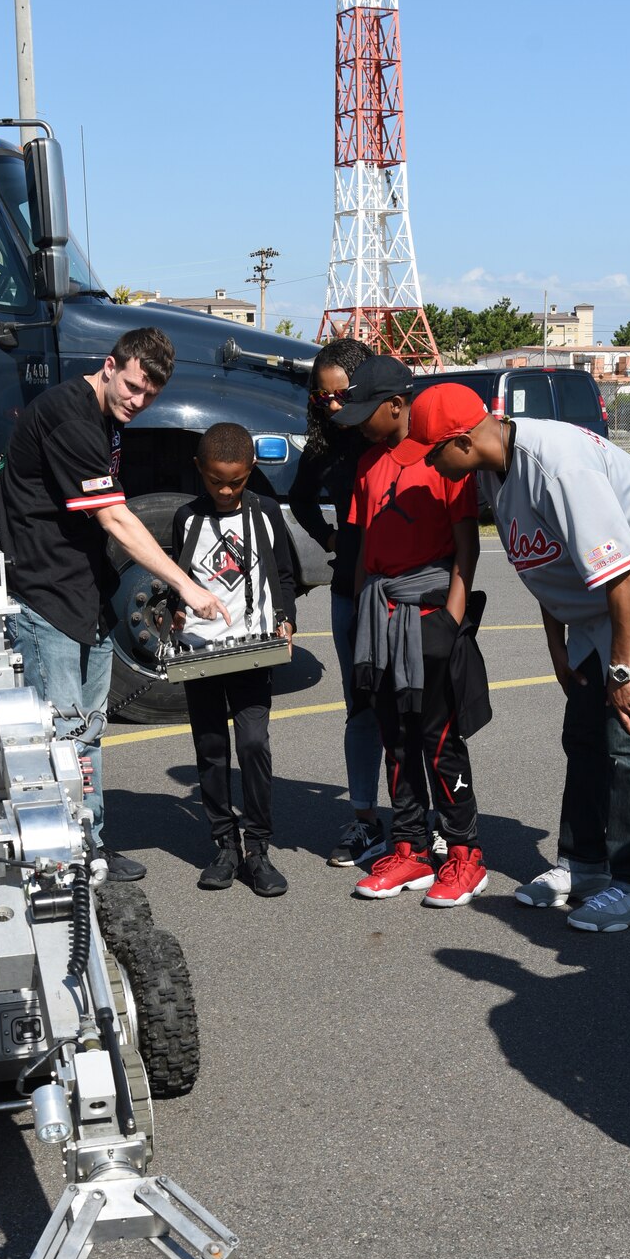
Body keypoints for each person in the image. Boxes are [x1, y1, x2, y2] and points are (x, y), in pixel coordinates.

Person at [398, 382, 630, 930]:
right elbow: (546, 562)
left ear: (462, 441)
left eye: (433, 453)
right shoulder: (493, 472)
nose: (431, 465)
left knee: (628, 733)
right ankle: (585, 864)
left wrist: (621, 670)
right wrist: (557, 647)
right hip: (598, 605)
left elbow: (627, 574)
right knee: (583, 733)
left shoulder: (558, 468)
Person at [0, 328, 229, 882]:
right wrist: (190, 587)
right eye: (131, 386)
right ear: (109, 364)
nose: (138, 401)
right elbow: (118, 519)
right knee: (55, 736)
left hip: (86, 589)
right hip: (45, 596)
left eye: (150, 395)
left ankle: (90, 843)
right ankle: (56, 859)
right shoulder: (70, 417)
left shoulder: (105, 417)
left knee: (88, 730)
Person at [332, 354, 490, 909]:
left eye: (364, 410)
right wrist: (357, 620)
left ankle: (466, 854)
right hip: (379, 615)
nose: (354, 421)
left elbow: (466, 548)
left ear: (396, 405)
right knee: (395, 736)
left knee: (438, 739)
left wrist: (450, 618)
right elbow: (363, 553)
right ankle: (411, 847)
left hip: (427, 612)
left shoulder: (443, 457)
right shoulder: (369, 464)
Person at [168, 423, 297, 897]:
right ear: (199, 469)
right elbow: (177, 578)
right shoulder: (187, 517)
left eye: (236, 481)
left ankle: (258, 846)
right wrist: (176, 609)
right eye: (216, 480)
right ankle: (224, 844)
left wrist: (287, 619)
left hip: (252, 647)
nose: (226, 490)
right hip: (201, 651)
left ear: (251, 471)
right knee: (210, 746)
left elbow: (283, 573)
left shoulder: (265, 513)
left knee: (254, 744)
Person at [286, 337, 388, 869]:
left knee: (411, 709)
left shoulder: (391, 437)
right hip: (349, 590)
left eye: (339, 395)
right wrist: (330, 540)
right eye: (321, 398)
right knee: (361, 708)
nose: (330, 406)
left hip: (398, 593)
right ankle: (365, 818)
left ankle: (423, 821)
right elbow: (300, 498)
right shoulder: (327, 444)